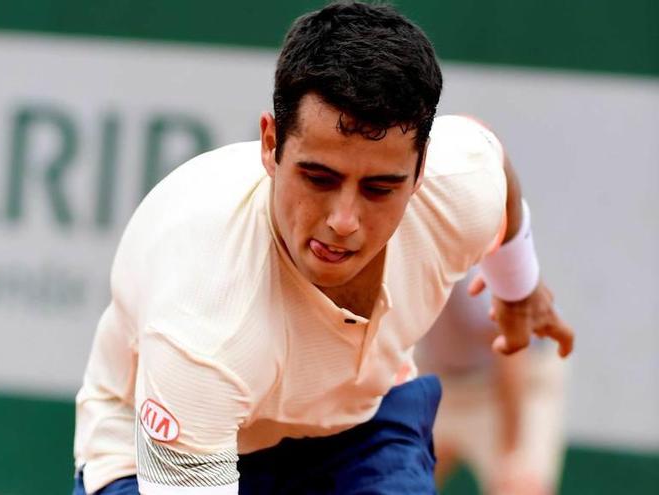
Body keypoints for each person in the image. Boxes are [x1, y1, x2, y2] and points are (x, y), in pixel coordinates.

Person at [73, 2, 574, 494]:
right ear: (271, 145)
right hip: (157, 452)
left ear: (421, 171)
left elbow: (492, 161)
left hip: (357, 426)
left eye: (379, 188)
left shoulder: (459, 186)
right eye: (318, 178)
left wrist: (518, 287)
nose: (343, 222)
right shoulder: (201, 311)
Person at [418, 269, 567, 495]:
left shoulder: (474, 268)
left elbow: (512, 350)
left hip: (518, 377)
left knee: (517, 487)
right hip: (437, 378)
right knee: (388, 482)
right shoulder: (385, 257)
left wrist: (512, 453)